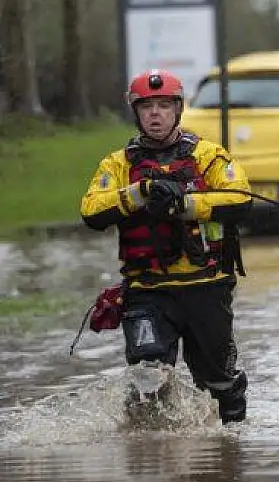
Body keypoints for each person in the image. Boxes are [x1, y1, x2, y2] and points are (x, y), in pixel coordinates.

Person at [80, 69, 253, 424]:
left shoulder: (208, 155)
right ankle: (152, 460)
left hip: (206, 287)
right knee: (147, 379)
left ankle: (231, 451)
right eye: (147, 107)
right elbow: (91, 211)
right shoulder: (117, 164)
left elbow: (240, 200)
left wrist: (185, 202)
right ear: (136, 112)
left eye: (163, 105)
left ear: (178, 109)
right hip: (148, 292)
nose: (155, 113)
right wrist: (140, 193)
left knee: (218, 381)